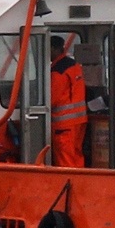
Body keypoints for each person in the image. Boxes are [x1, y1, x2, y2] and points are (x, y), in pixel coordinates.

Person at [49, 35, 87, 168]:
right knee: (76, 155)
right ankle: (80, 182)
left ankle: (70, 184)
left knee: (65, 159)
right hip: (79, 121)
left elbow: (52, 99)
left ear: (54, 49)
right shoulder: (74, 65)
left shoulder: (58, 72)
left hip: (64, 124)